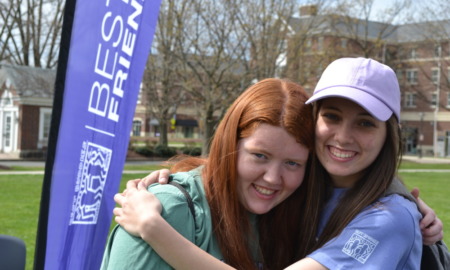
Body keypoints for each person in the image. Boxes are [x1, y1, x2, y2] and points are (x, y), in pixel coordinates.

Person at [112, 58, 445, 269]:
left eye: (366, 123)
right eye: (331, 116)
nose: (343, 136)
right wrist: (184, 174)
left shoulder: (388, 219)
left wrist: (153, 228)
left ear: (389, 135)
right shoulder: (306, 190)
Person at [101, 78, 318, 270]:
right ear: (229, 145)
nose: (272, 177)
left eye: (292, 163)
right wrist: (152, 225)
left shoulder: (291, 219)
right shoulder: (166, 210)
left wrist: (154, 229)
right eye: (259, 156)